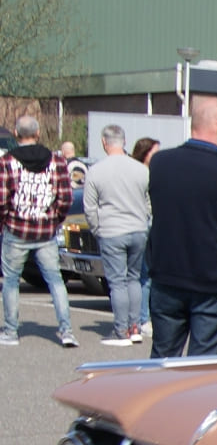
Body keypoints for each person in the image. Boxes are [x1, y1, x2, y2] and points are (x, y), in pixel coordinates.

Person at [146, 100, 217, 357]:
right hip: (214, 283)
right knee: (202, 365)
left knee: (162, 359)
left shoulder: (160, 163)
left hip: (166, 276)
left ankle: (157, 398)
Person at [0, 115, 77, 347]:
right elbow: (65, 197)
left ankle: (11, 331)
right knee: (55, 280)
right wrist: (54, 218)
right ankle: (66, 331)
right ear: (38, 133)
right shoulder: (57, 160)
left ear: (15, 134)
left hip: (16, 229)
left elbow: (2, 199)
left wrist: (4, 222)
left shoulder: (7, 162)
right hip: (46, 231)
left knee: (11, 280)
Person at [85, 124, 151, 346]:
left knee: (117, 282)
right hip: (138, 229)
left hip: (112, 230)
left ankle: (121, 330)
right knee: (134, 278)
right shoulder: (141, 169)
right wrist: (143, 219)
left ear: (104, 142)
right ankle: (135, 326)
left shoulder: (96, 170)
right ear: (124, 141)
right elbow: (148, 202)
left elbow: (90, 207)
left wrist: (97, 229)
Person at [129, 137, 160, 338]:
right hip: (142, 225)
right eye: (154, 152)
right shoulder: (141, 173)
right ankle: (141, 319)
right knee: (143, 276)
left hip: (148, 225)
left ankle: (139, 318)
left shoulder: (152, 172)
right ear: (144, 153)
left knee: (144, 275)